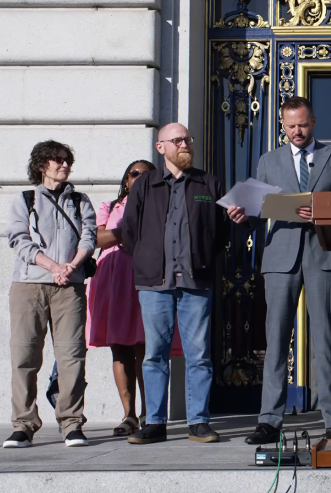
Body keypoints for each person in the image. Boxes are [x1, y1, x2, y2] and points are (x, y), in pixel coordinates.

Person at [122, 123, 247, 445]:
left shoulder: (209, 183)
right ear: (160, 147)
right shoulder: (145, 184)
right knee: (155, 355)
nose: (184, 145)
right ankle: (154, 422)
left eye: (188, 139)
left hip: (196, 281)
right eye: (177, 140)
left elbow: (220, 233)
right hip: (155, 283)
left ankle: (199, 422)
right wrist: (149, 259)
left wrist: (203, 256)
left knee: (199, 355)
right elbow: (130, 232)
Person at [244, 97, 331, 445]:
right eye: (290, 126)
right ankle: (269, 421)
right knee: (276, 340)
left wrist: (319, 211)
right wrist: (242, 213)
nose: (297, 131)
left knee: (326, 339)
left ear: (314, 122)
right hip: (281, 258)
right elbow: (256, 210)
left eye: (303, 125)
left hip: (323, 255)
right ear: (282, 125)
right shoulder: (268, 160)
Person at [3, 140, 97, 448]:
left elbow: (89, 237)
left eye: (67, 160)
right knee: (24, 356)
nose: (64, 165)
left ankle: (71, 424)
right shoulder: (25, 199)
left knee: (72, 356)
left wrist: (71, 266)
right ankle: (23, 425)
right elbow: (19, 239)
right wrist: (53, 266)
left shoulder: (80, 201)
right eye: (58, 159)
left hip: (70, 286)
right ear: (42, 164)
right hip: (29, 286)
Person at [86, 160, 184, 436]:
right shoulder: (110, 206)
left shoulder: (164, 203)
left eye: (146, 174)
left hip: (147, 277)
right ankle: (128, 414)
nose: (139, 178)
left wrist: (119, 235)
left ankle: (149, 413)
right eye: (134, 174)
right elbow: (96, 238)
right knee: (119, 347)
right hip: (113, 279)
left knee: (147, 347)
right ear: (126, 180)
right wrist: (126, 232)